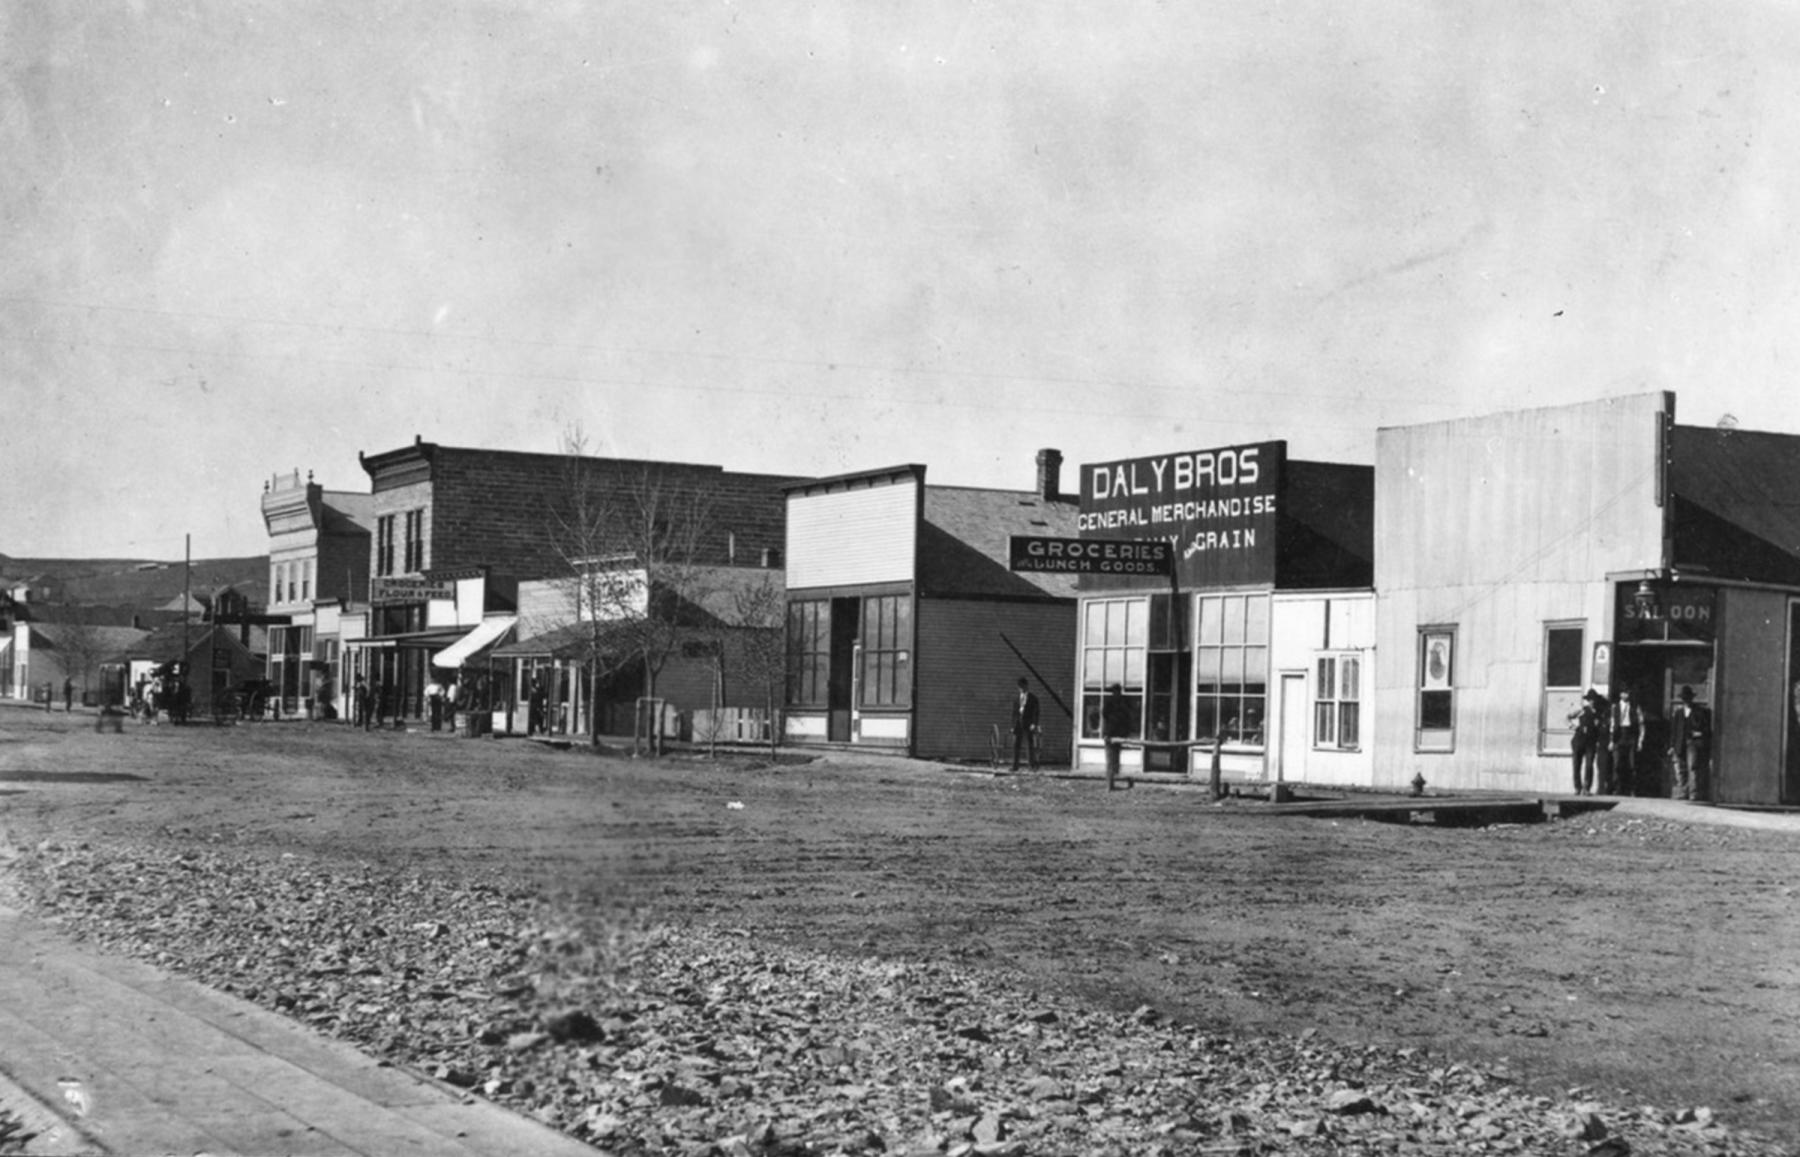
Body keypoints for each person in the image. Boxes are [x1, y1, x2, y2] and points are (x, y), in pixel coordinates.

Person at [1669, 685, 1712, 802]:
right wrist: (1672, 745)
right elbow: (1674, 730)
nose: (1686, 700)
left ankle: (1693, 793)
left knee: (1692, 767)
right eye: (1684, 698)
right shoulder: (1678, 713)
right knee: (1680, 769)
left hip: (1693, 743)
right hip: (1680, 743)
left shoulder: (1699, 712)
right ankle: (1683, 791)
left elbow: (1705, 729)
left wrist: (1699, 734)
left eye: (1688, 698)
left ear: (1691, 698)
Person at [1607, 687, 1645, 796]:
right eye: (1624, 693)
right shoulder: (1615, 707)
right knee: (1617, 764)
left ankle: (1632, 789)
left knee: (1632, 764)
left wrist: (1640, 741)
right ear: (1620, 694)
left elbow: (1641, 724)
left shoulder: (1635, 707)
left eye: (1628, 693)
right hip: (1618, 736)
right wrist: (1611, 740)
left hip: (1631, 736)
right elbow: (1612, 724)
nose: (1626, 695)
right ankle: (1616, 789)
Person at [1567, 688, 1605, 795]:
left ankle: (1587, 788)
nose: (1592, 701)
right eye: (1590, 700)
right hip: (1579, 740)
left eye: (1594, 699)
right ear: (1588, 701)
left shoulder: (1599, 713)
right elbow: (1568, 717)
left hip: (1591, 742)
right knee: (1577, 764)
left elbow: (1599, 729)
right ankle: (1577, 788)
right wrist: (1573, 726)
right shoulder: (1582, 709)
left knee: (1589, 765)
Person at [1101, 682, 1129, 791]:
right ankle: (1109, 784)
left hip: (1117, 734)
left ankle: (1112, 782)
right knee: (1110, 760)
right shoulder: (1111, 703)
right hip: (1110, 734)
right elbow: (1105, 715)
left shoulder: (1121, 703)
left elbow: (1126, 718)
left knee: (1114, 760)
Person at [1009, 677, 1042, 771]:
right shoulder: (1016, 699)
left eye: (1023, 687)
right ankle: (1015, 766)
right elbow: (1014, 713)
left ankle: (1031, 765)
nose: (1021, 689)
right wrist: (1012, 726)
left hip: (1028, 724)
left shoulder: (1033, 698)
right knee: (1016, 744)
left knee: (1029, 745)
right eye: (1019, 687)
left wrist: (1034, 724)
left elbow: (1036, 712)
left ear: (1026, 686)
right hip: (1017, 724)